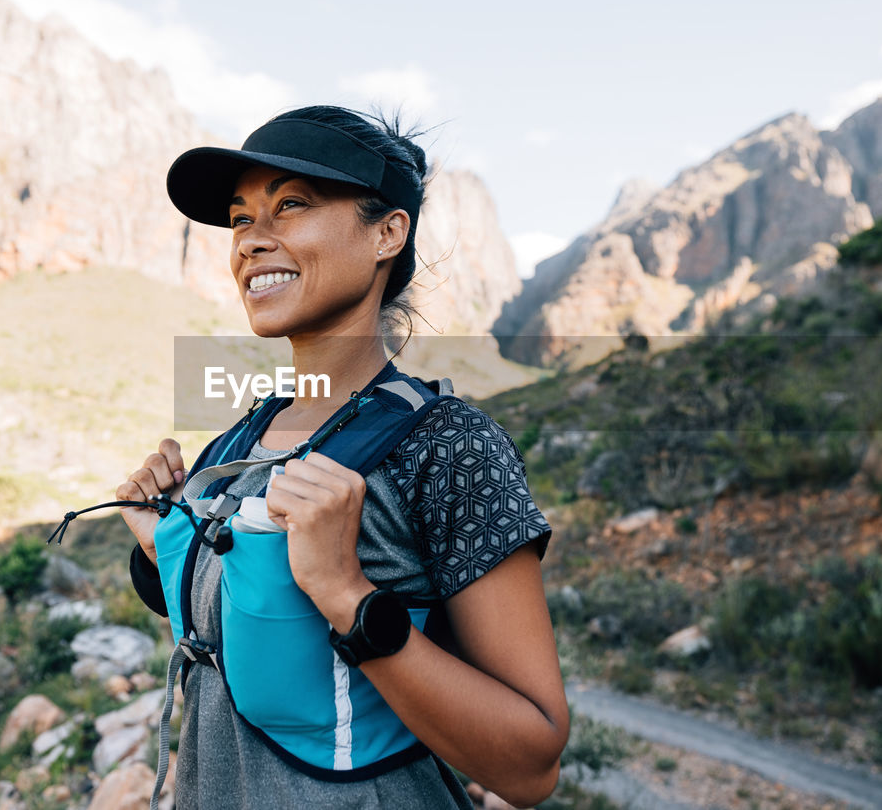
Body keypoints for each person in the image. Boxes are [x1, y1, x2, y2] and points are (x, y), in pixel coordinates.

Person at [117, 105, 569, 809]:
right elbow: (240, 635)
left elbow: (530, 766)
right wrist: (162, 548)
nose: (250, 243)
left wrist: (347, 593)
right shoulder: (236, 443)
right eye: (240, 220)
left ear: (388, 232)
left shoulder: (448, 447)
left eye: (290, 205)